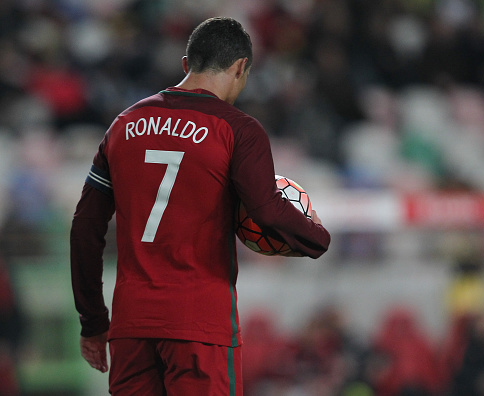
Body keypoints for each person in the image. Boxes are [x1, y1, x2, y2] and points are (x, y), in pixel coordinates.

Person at [70, 16, 331, 396]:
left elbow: (84, 228)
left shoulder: (124, 125)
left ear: (185, 65)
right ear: (241, 67)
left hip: (132, 324)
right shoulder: (238, 129)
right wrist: (318, 238)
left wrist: (92, 322)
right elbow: (267, 210)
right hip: (200, 325)